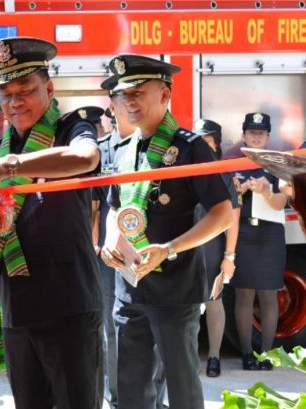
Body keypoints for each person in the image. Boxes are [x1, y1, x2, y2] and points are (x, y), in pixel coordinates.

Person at [0, 37, 103, 408]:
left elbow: (85, 158)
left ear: (48, 88)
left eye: (26, 90)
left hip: (69, 303)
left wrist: (10, 166)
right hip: (16, 307)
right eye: (6, 94)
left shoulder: (71, 129)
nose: (15, 102)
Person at [99, 54, 233, 409]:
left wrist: (169, 248)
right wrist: (111, 239)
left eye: (139, 92)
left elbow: (223, 214)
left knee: (182, 389)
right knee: (130, 391)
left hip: (175, 290)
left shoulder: (191, 149)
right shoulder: (125, 149)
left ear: (165, 94)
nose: (130, 101)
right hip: (129, 289)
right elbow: (115, 207)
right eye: (124, 94)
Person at [231, 113, 287, 371]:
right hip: (243, 233)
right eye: (252, 132)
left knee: (269, 295)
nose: (256, 136)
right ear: (243, 134)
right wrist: (240, 190)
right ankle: (246, 354)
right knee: (244, 295)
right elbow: (225, 204)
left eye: (261, 133)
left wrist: (265, 190)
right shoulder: (231, 164)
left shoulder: (279, 164)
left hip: (270, 234)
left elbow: (281, 203)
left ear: (268, 137)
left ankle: (266, 354)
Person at [91, 95, 134, 409]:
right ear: (112, 108)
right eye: (120, 102)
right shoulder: (102, 149)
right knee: (112, 329)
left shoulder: (154, 148)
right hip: (107, 255)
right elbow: (94, 203)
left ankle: (152, 397)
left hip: (144, 252)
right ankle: (118, 396)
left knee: (151, 327)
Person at [191, 118, 240, 378]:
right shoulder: (183, 170)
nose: (203, 145)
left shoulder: (225, 174)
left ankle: (213, 357)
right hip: (186, 246)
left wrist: (229, 257)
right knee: (186, 304)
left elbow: (232, 220)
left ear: (216, 143)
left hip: (211, 247)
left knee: (214, 300)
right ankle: (189, 359)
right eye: (198, 139)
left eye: (207, 139)